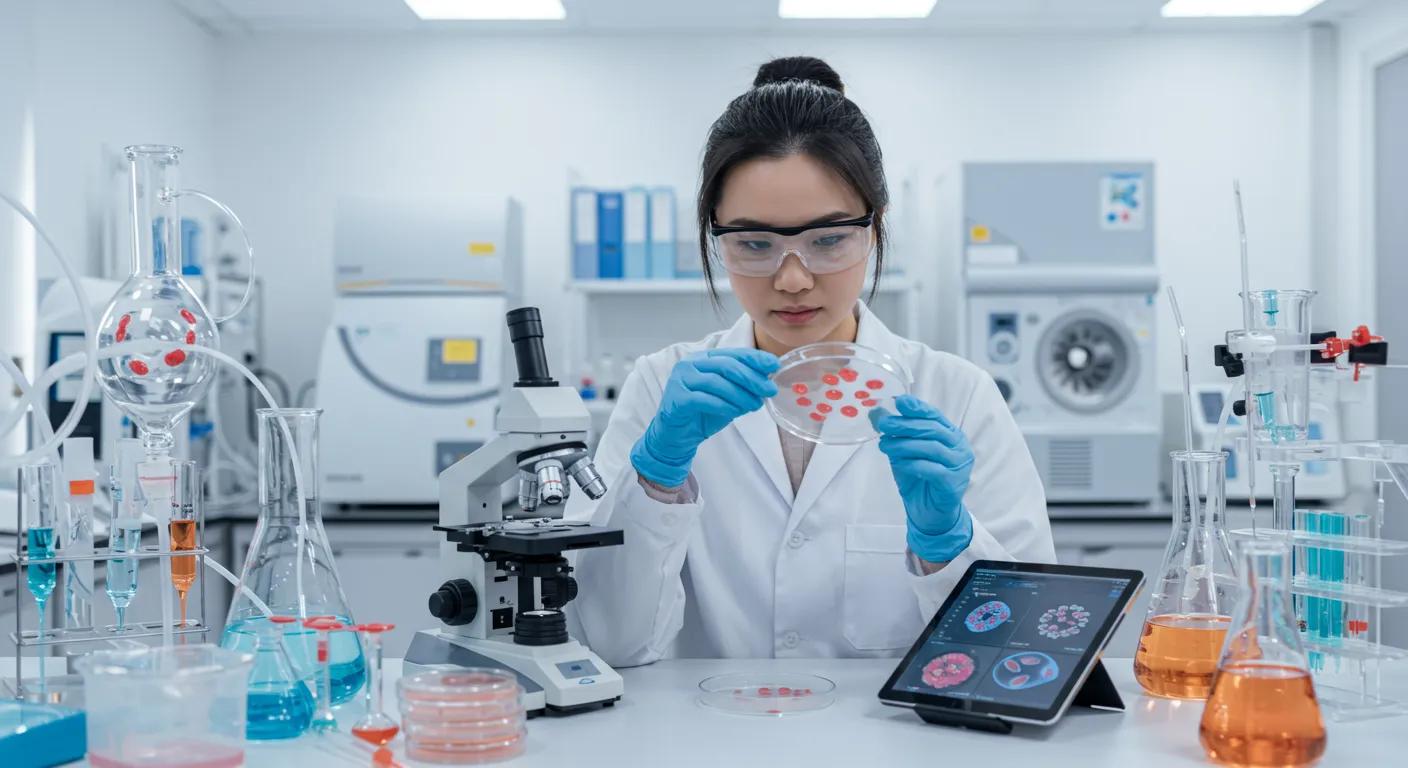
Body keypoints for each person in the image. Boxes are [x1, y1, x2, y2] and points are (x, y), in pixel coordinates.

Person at [566, 56, 1053, 666]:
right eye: (754, 244)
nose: (792, 279)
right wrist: (655, 482)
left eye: (827, 240)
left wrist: (949, 543)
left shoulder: (956, 393)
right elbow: (611, 641)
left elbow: (1023, 653)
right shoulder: (661, 387)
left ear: (874, 229)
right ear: (715, 239)